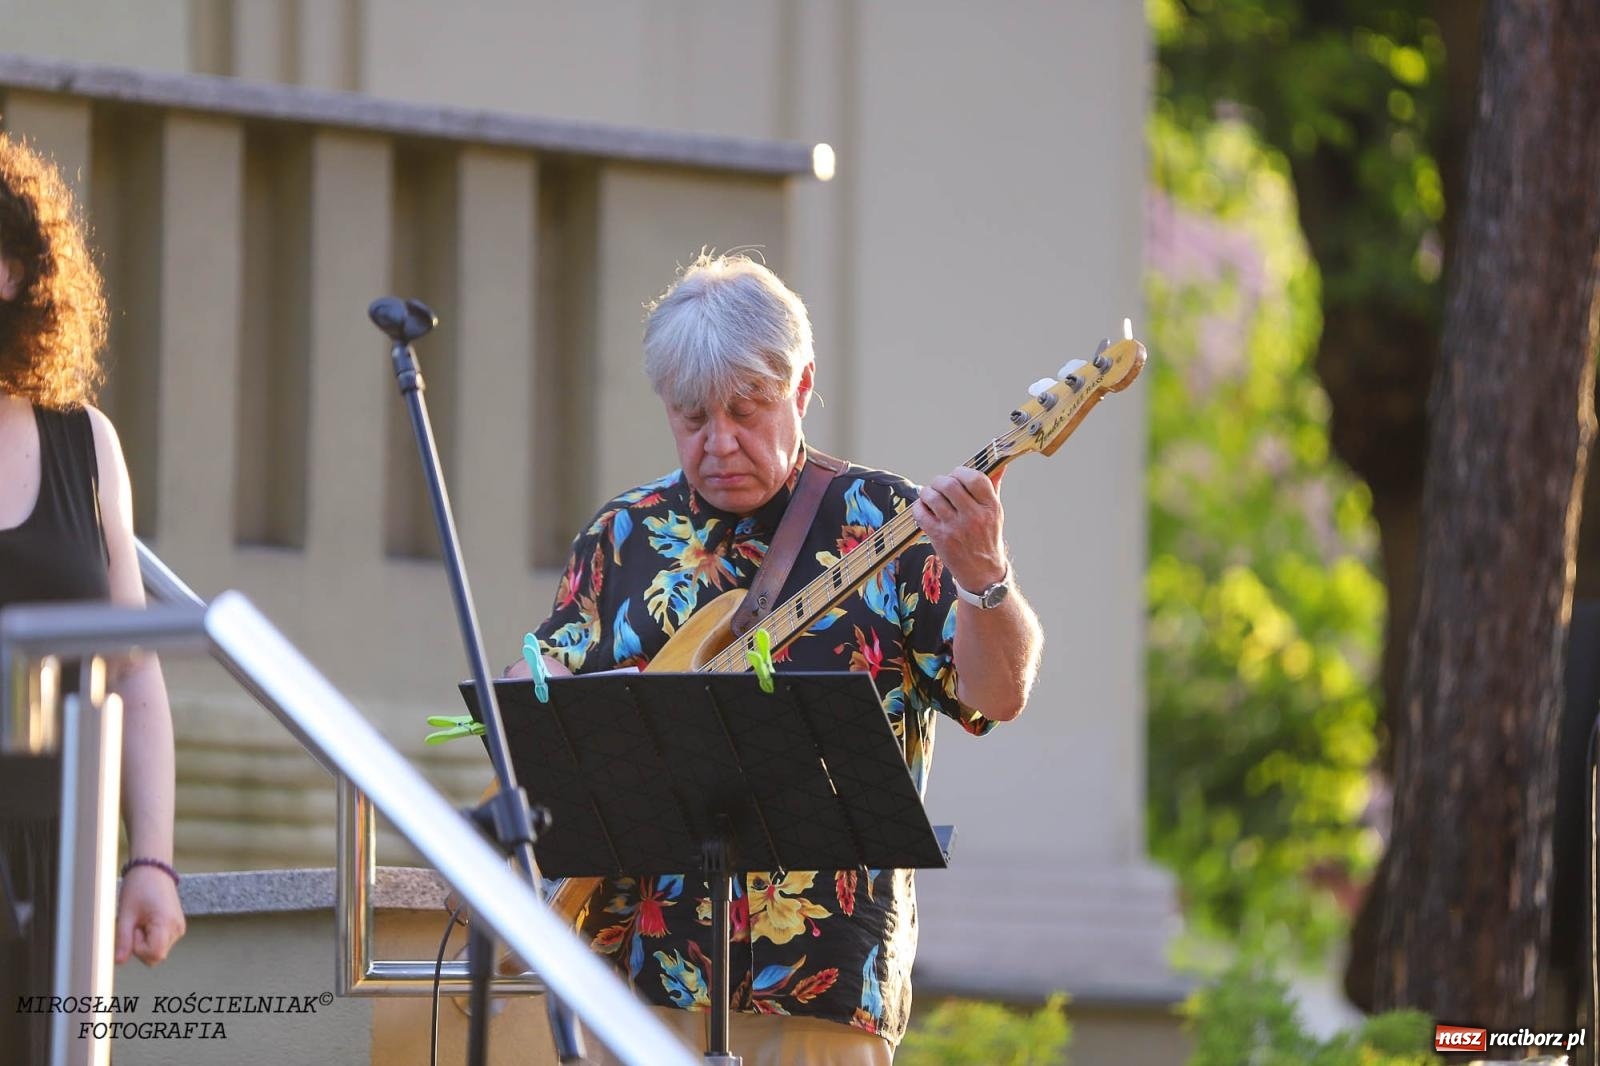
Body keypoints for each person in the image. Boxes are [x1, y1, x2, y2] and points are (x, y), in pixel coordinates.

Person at [520, 253, 1043, 1064]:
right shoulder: (620, 536)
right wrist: (531, 702)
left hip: (823, 982)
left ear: (801, 390)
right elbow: (547, 706)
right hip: (634, 978)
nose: (719, 442)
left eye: (747, 410)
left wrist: (983, 574)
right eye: (692, 417)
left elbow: (1000, 693)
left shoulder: (890, 520)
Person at [0, 132, 185, 1062]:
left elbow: (134, 667)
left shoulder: (85, 442)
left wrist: (147, 858)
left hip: (55, 855)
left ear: (10, 273)